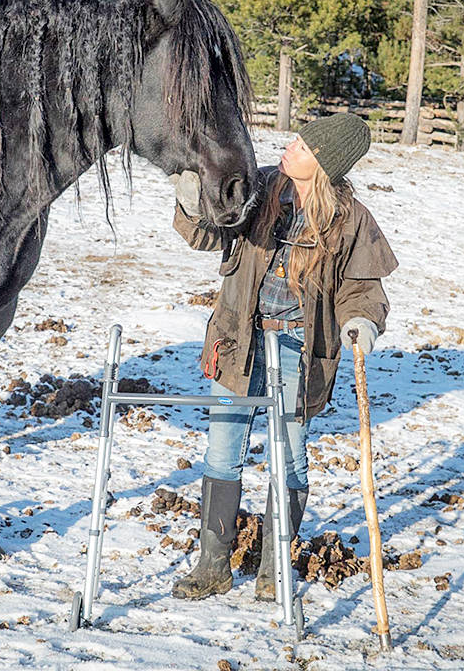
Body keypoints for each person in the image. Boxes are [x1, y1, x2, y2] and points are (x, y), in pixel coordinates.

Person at [169, 112, 398, 601]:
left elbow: (362, 289)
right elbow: (212, 235)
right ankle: (213, 565)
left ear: (323, 163)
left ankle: (275, 567)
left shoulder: (348, 219)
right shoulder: (260, 188)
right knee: (222, 451)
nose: (289, 146)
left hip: (298, 350)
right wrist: (192, 207)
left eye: (302, 145)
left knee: (288, 457)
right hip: (237, 340)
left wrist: (361, 323)